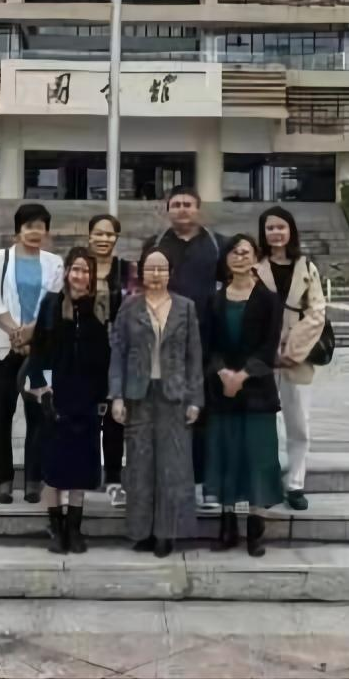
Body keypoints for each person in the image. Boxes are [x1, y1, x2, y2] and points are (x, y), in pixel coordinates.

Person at [109, 247, 202, 557]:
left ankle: (166, 533)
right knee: (140, 464)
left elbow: (194, 356)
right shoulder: (129, 307)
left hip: (174, 394)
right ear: (141, 272)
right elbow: (118, 353)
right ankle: (141, 531)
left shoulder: (185, 307)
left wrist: (195, 399)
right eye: (150, 268)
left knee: (172, 465)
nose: (156, 274)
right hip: (138, 394)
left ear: (170, 273)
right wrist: (117, 395)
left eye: (162, 268)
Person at [202, 233, 285, 556]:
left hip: (257, 392)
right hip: (222, 390)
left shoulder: (269, 300)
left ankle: (254, 529)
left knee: (257, 458)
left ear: (255, 257)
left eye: (245, 252)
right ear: (226, 259)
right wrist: (223, 373)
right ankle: (227, 527)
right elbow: (208, 345)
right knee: (226, 454)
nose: (239, 257)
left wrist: (243, 375)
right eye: (234, 252)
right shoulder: (214, 300)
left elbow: (269, 346)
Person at [140, 185, 221, 511]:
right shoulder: (155, 245)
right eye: (176, 204)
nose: (182, 209)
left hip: (208, 341)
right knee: (165, 412)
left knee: (203, 412)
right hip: (164, 342)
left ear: (198, 208)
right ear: (167, 209)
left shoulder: (217, 245)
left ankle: (202, 483)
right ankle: (165, 482)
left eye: (188, 204)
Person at [24, 247, 110, 554]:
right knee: (54, 468)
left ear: (91, 276)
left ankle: (74, 528)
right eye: (76, 269)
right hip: (54, 396)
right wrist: (44, 388)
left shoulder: (97, 308)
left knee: (80, 469)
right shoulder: (51, 304)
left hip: (85, 399)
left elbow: (104, 358)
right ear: (67, 272)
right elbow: (40, 352)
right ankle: (56, 527)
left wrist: (102, 396)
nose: (80, 275)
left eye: (86, 270)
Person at [0, 202, 64, 505]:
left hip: (40, 349)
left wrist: (31, 334)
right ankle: (3, 480)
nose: (34, 232)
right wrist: (16, 332)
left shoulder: (55, 263)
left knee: (38, 416)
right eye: (29, 226)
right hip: (3, 347)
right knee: (0, 416)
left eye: (40, 226)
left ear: (47, 231)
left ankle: (33, 480)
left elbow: (53, 304)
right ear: (18, 230)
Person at [255, 205, 328, 511]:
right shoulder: (253, 266)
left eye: (281, 227)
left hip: (298, 357)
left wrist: (292, 352)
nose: (276, 233)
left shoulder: (306, 266)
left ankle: (296, 483)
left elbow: (317, 312)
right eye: (270, 228)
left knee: (298, 422)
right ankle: (267, 479)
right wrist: (267, 350)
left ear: (291, 231)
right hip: (261, 357)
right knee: (264, 421)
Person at [88, 213, 138, 507]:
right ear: (89, 236)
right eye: (99, 233)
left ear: (116, 238)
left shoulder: (127, 270)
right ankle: (85, 473)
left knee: (115, 418)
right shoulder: (79, 267)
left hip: (117, 354)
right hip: (84, 355)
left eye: (109, 234)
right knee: (84, 417)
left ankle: (114, 480)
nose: (104, 239)